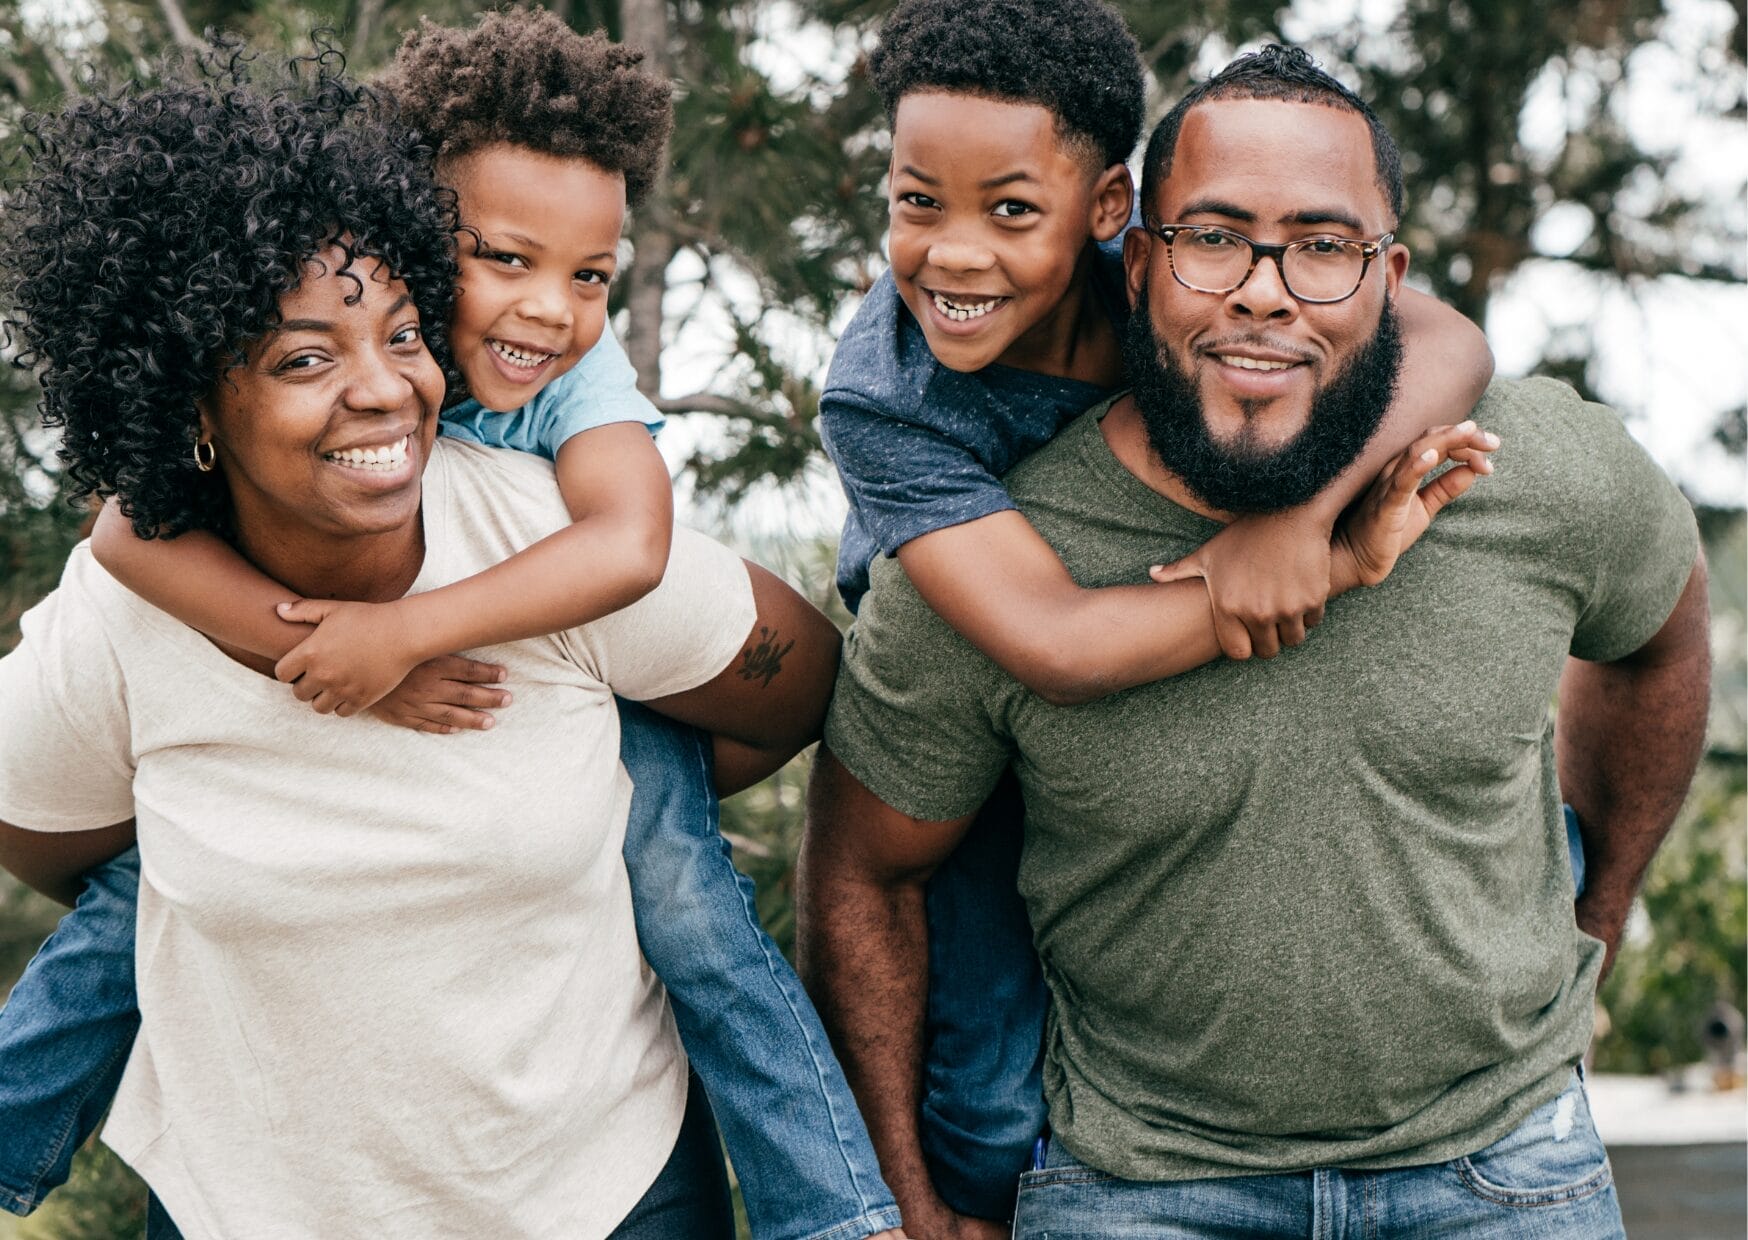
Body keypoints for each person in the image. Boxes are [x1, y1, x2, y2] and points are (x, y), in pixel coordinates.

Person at [0, 16, 903, 1240]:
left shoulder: (560, 454)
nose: (383, 383)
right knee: (141, 891)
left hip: (595, 1185)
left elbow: (710, 618)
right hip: (249, 1202)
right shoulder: (142, 585)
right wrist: (318, 674)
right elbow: (114, 556)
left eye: (590, 274)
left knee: (681, 889)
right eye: (303, 355)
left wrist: (447, 667)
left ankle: (838, 1213)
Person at [799, 44, 1710, 1240]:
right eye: (1214, 238)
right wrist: (908, 1206)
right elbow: (865, 870)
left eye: (1322, 248)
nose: (1265, 291)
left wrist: (1595, 916)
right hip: (1134, 1185)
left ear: (1390, 273)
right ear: (1134, 261)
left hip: (1503, 1172)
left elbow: (1660, 634)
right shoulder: (978, 553)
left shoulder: (1530, 468)